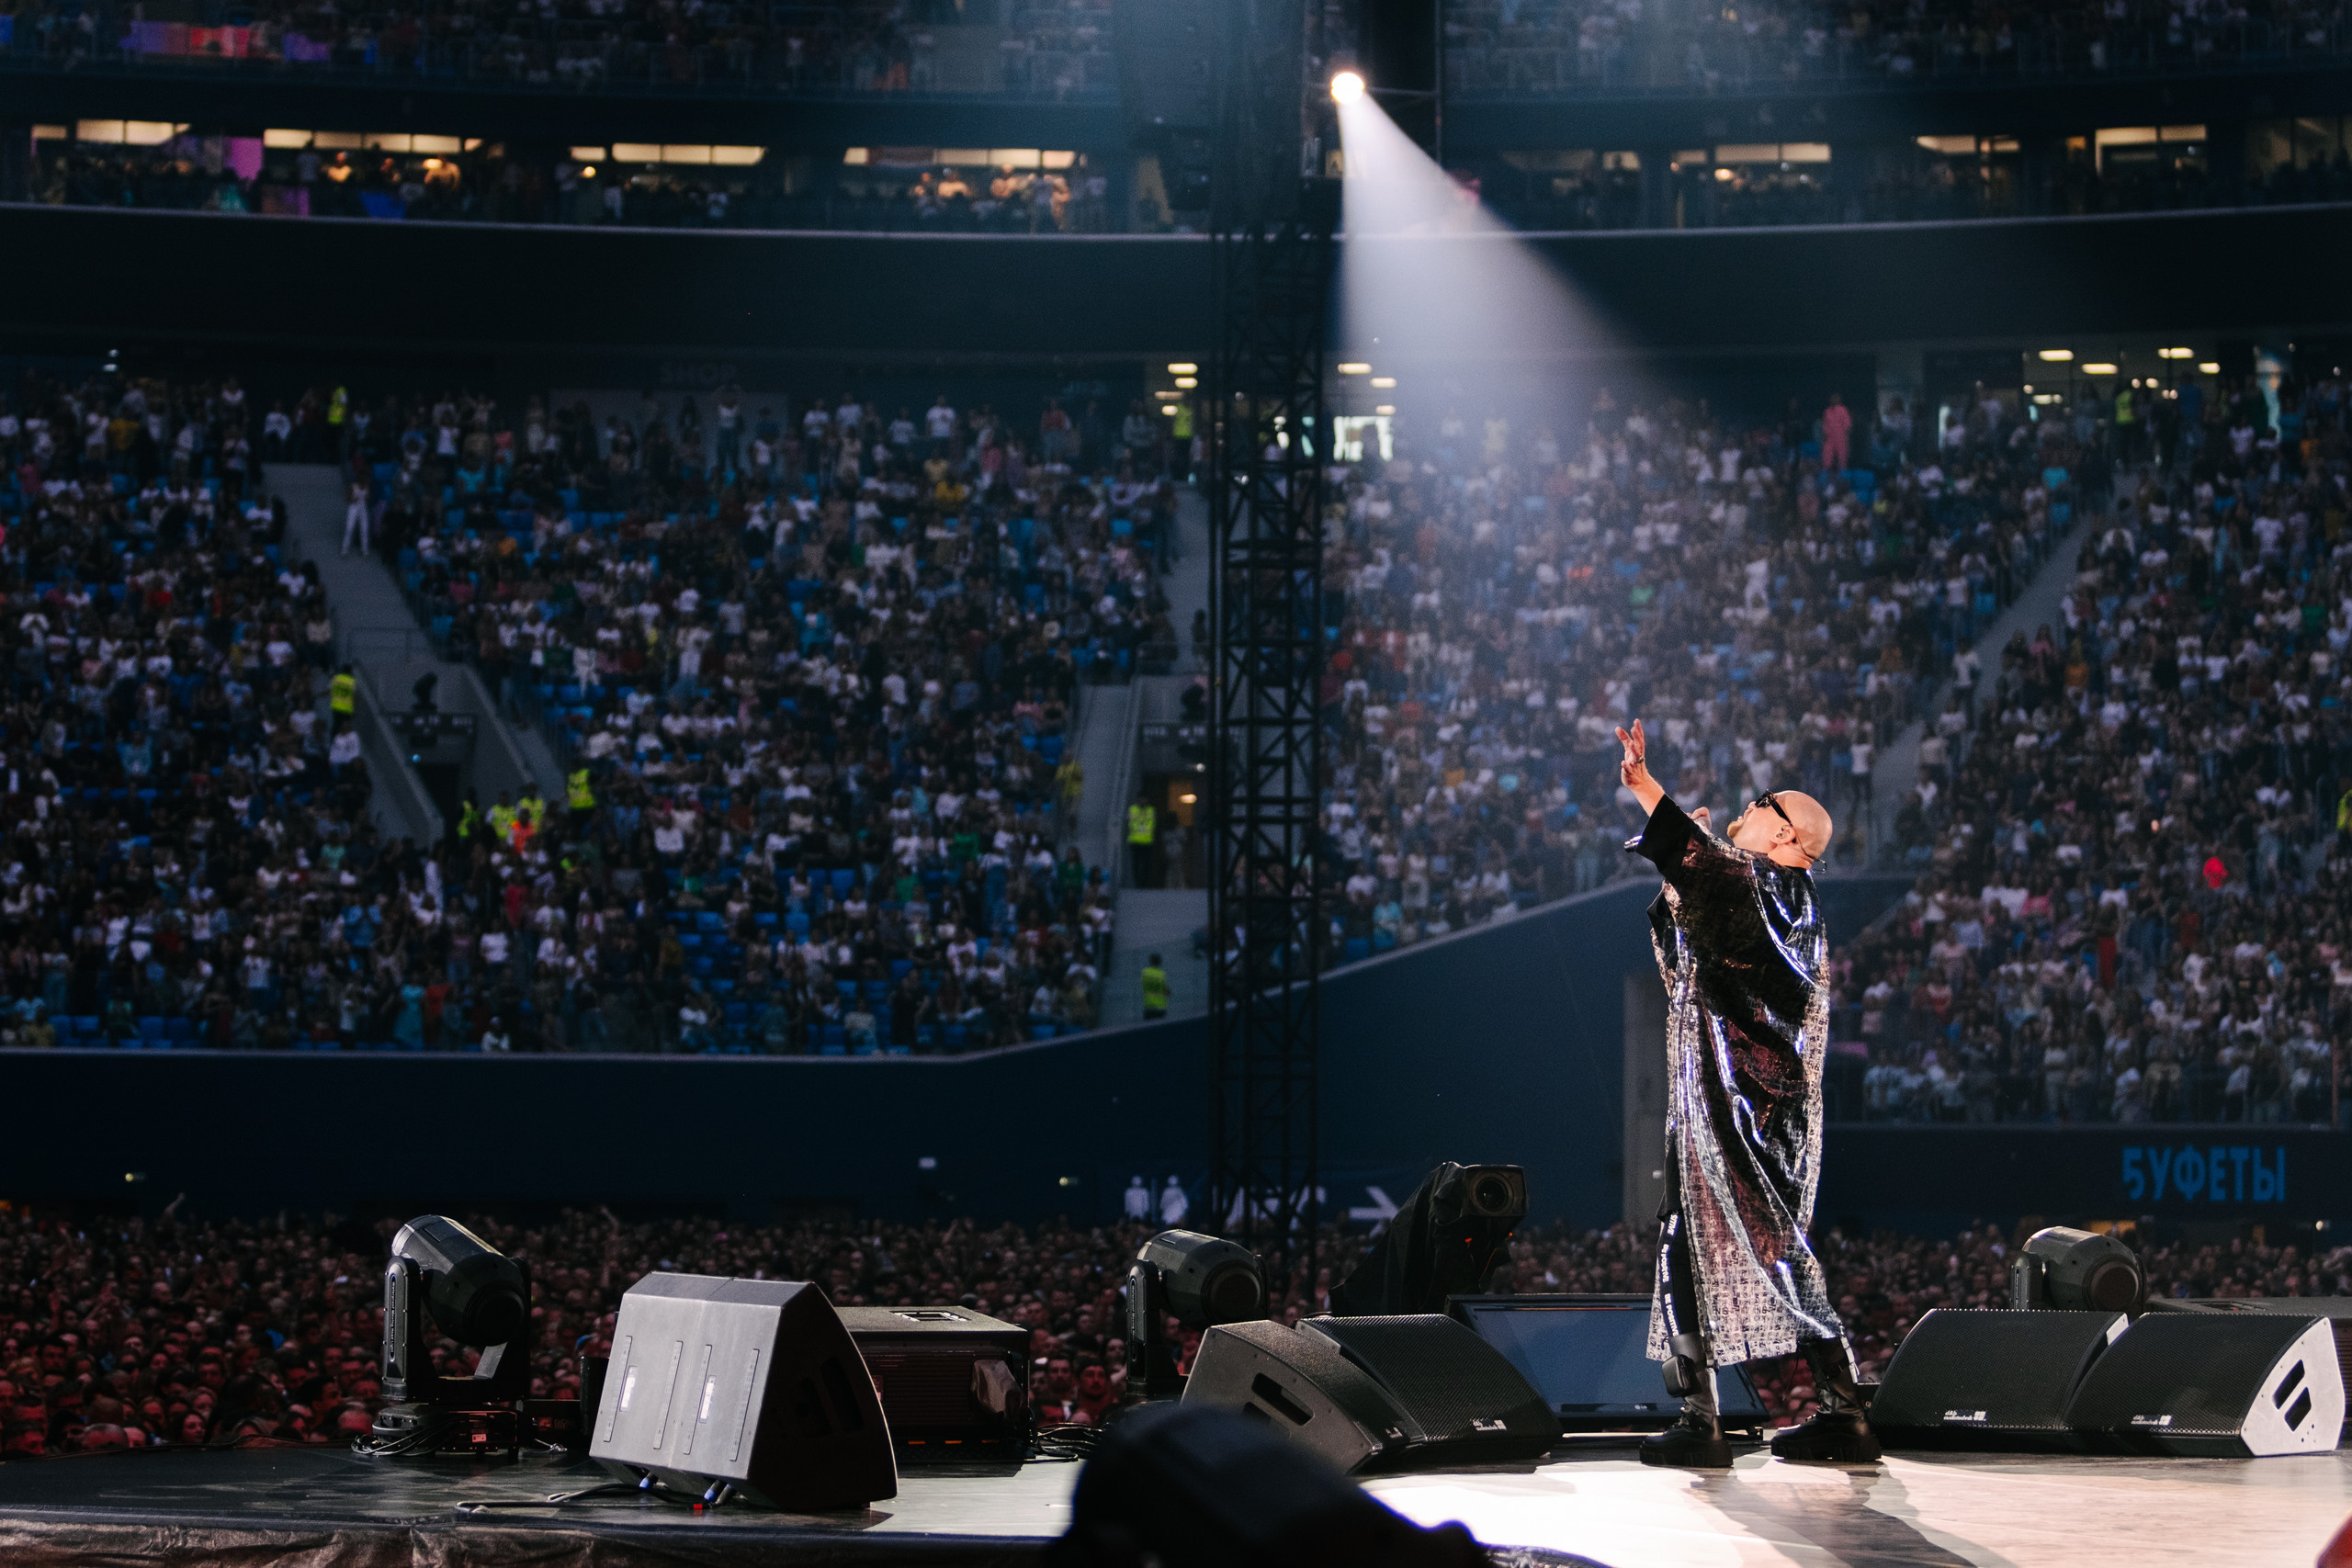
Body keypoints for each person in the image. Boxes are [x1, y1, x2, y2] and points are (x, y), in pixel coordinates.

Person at [1614, 717, 1875, 1469]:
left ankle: (1843, 1407)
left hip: (1750, 1107)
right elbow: (1694, 953)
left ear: (1792, 842)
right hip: (1711, 1097)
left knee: (1770, 1246)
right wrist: (1680, 875)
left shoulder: (1781, 892)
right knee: (1684, 1239)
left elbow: (1719, 877)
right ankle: (1703, 1417)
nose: (1752, 804)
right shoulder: (1760, 889)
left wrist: (1648, 793)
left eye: (1769, 802)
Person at [1126, 795, 1157, 886]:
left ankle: (1144, 883)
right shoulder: (1132, 809)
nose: (1143, 801)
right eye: (1141, 799)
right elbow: (1127, 823)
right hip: (1135, 841)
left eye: (1145, 799)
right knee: (1136, 863)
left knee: (1146, 864)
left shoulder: (1151, 810)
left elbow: (1154, 823)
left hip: (1147, 841)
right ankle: (1137, 882)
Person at [1819, 391, 1852, 474]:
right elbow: (1824, 427)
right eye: (1833, 397)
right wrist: (1823, 441)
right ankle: (1826, 479)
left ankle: (1842, 479)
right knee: (1827, 460)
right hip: (1829, 439)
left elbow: (1848, 427)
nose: (1834, 399)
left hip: (1841, 439)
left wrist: (1847, 442)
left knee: (1842, 461)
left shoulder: (1843, 410)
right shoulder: (1827, 411)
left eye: (1836, 397)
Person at [1140, 953, 1170, 1020]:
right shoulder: (1161, 974)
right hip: (1160, 1007)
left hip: (1148, 1007)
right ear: (1159, 962)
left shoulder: (1145, 972)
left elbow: (1144, 986)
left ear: (1150, 961)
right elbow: (1166, 991)